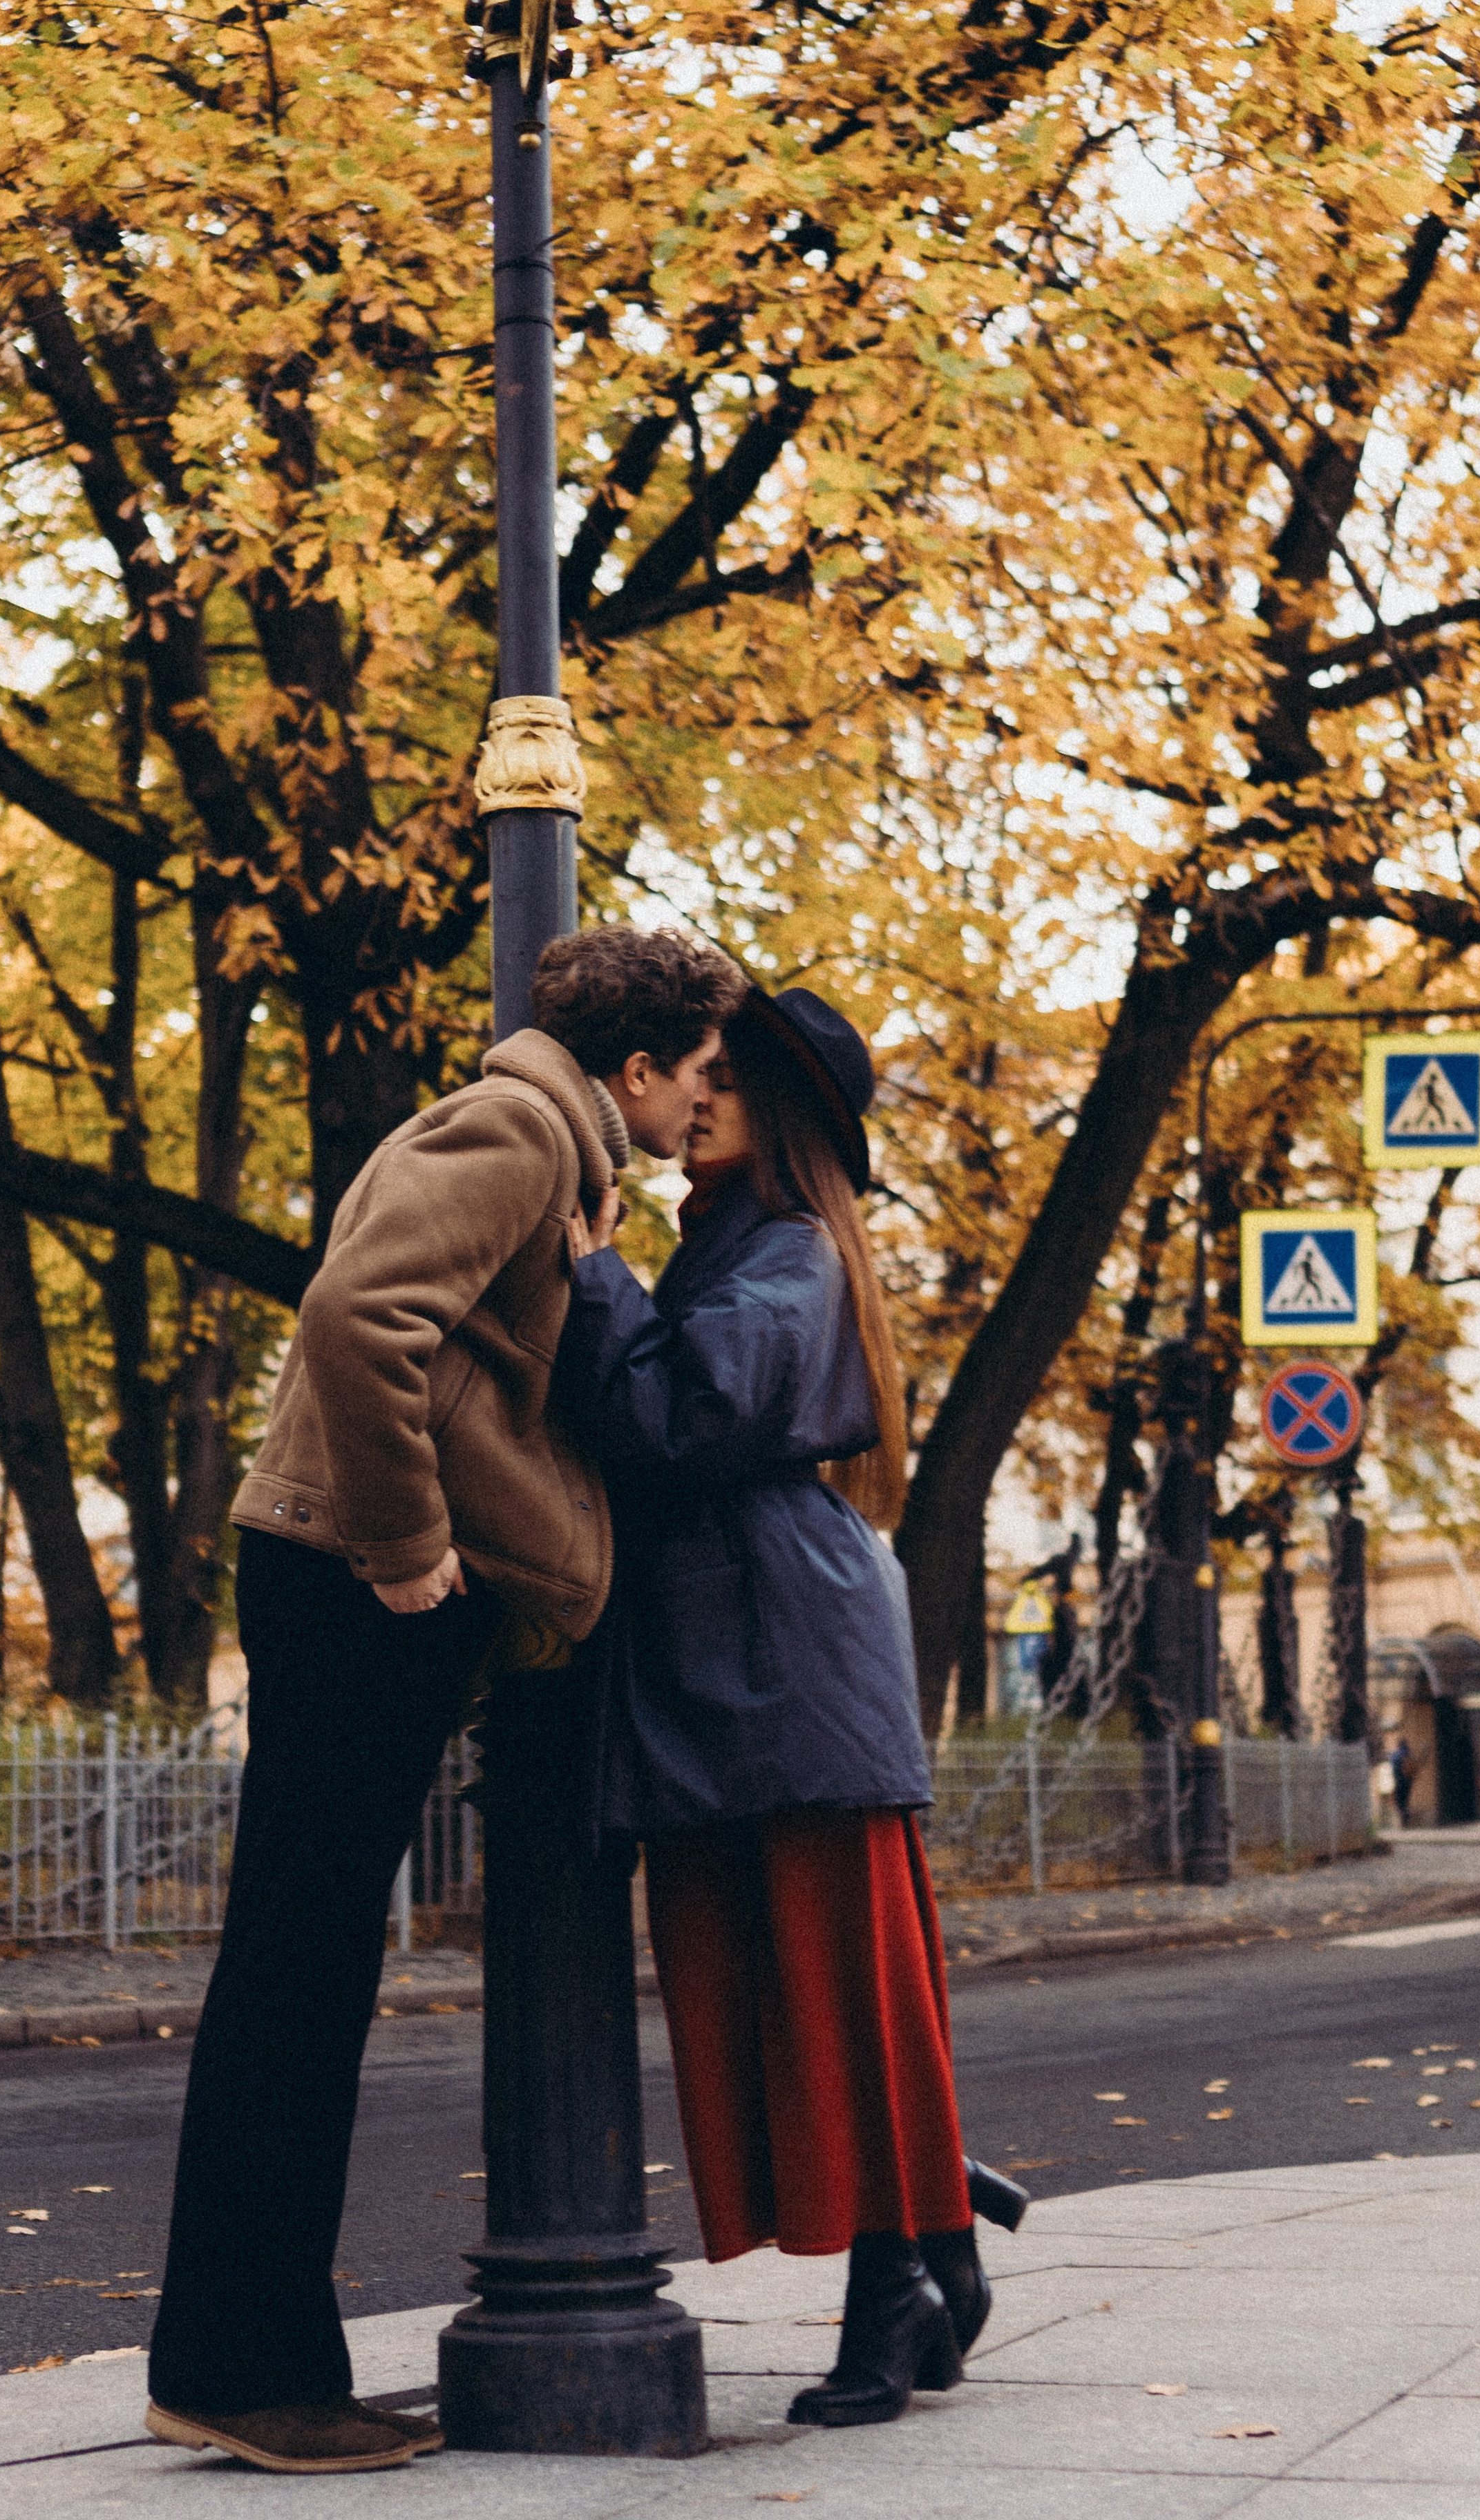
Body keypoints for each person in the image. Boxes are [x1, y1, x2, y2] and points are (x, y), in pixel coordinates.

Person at [146, 926, 741, 2476]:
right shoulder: (518, 1131)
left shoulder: (553, 1146)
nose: (700, 1106)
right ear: (633, 1068)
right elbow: (358, 1318)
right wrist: (409, 1549)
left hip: (355, 1578)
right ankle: (238, 2371)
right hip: (353, 1579)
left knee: (307, 1962)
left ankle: (248, 2358)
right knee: (297, 1968)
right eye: (694, 1077)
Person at [559, 985, 1028, 2434]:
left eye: (727, 1084)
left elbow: (671, 1416)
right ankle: (937, 2231)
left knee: (839, 1988)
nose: (693, 1097)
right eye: (694, 1075)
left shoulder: (789, 1249)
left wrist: (586, 1265)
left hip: (789, 1661)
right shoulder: (725, 1243)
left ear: (785, 1125)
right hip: (730, 1654)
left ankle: (894, 2298)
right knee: (768, 1992)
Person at [1389, 1733, 1416, 1829]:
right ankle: (1406, 1821)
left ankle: (1403, 1821)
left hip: (1399, 1780)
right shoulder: (1408, 1754)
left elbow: (1393, 1767)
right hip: (1408, 1781)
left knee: (1399, 1802)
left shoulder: (1396, 1755)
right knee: (1405, 1801)